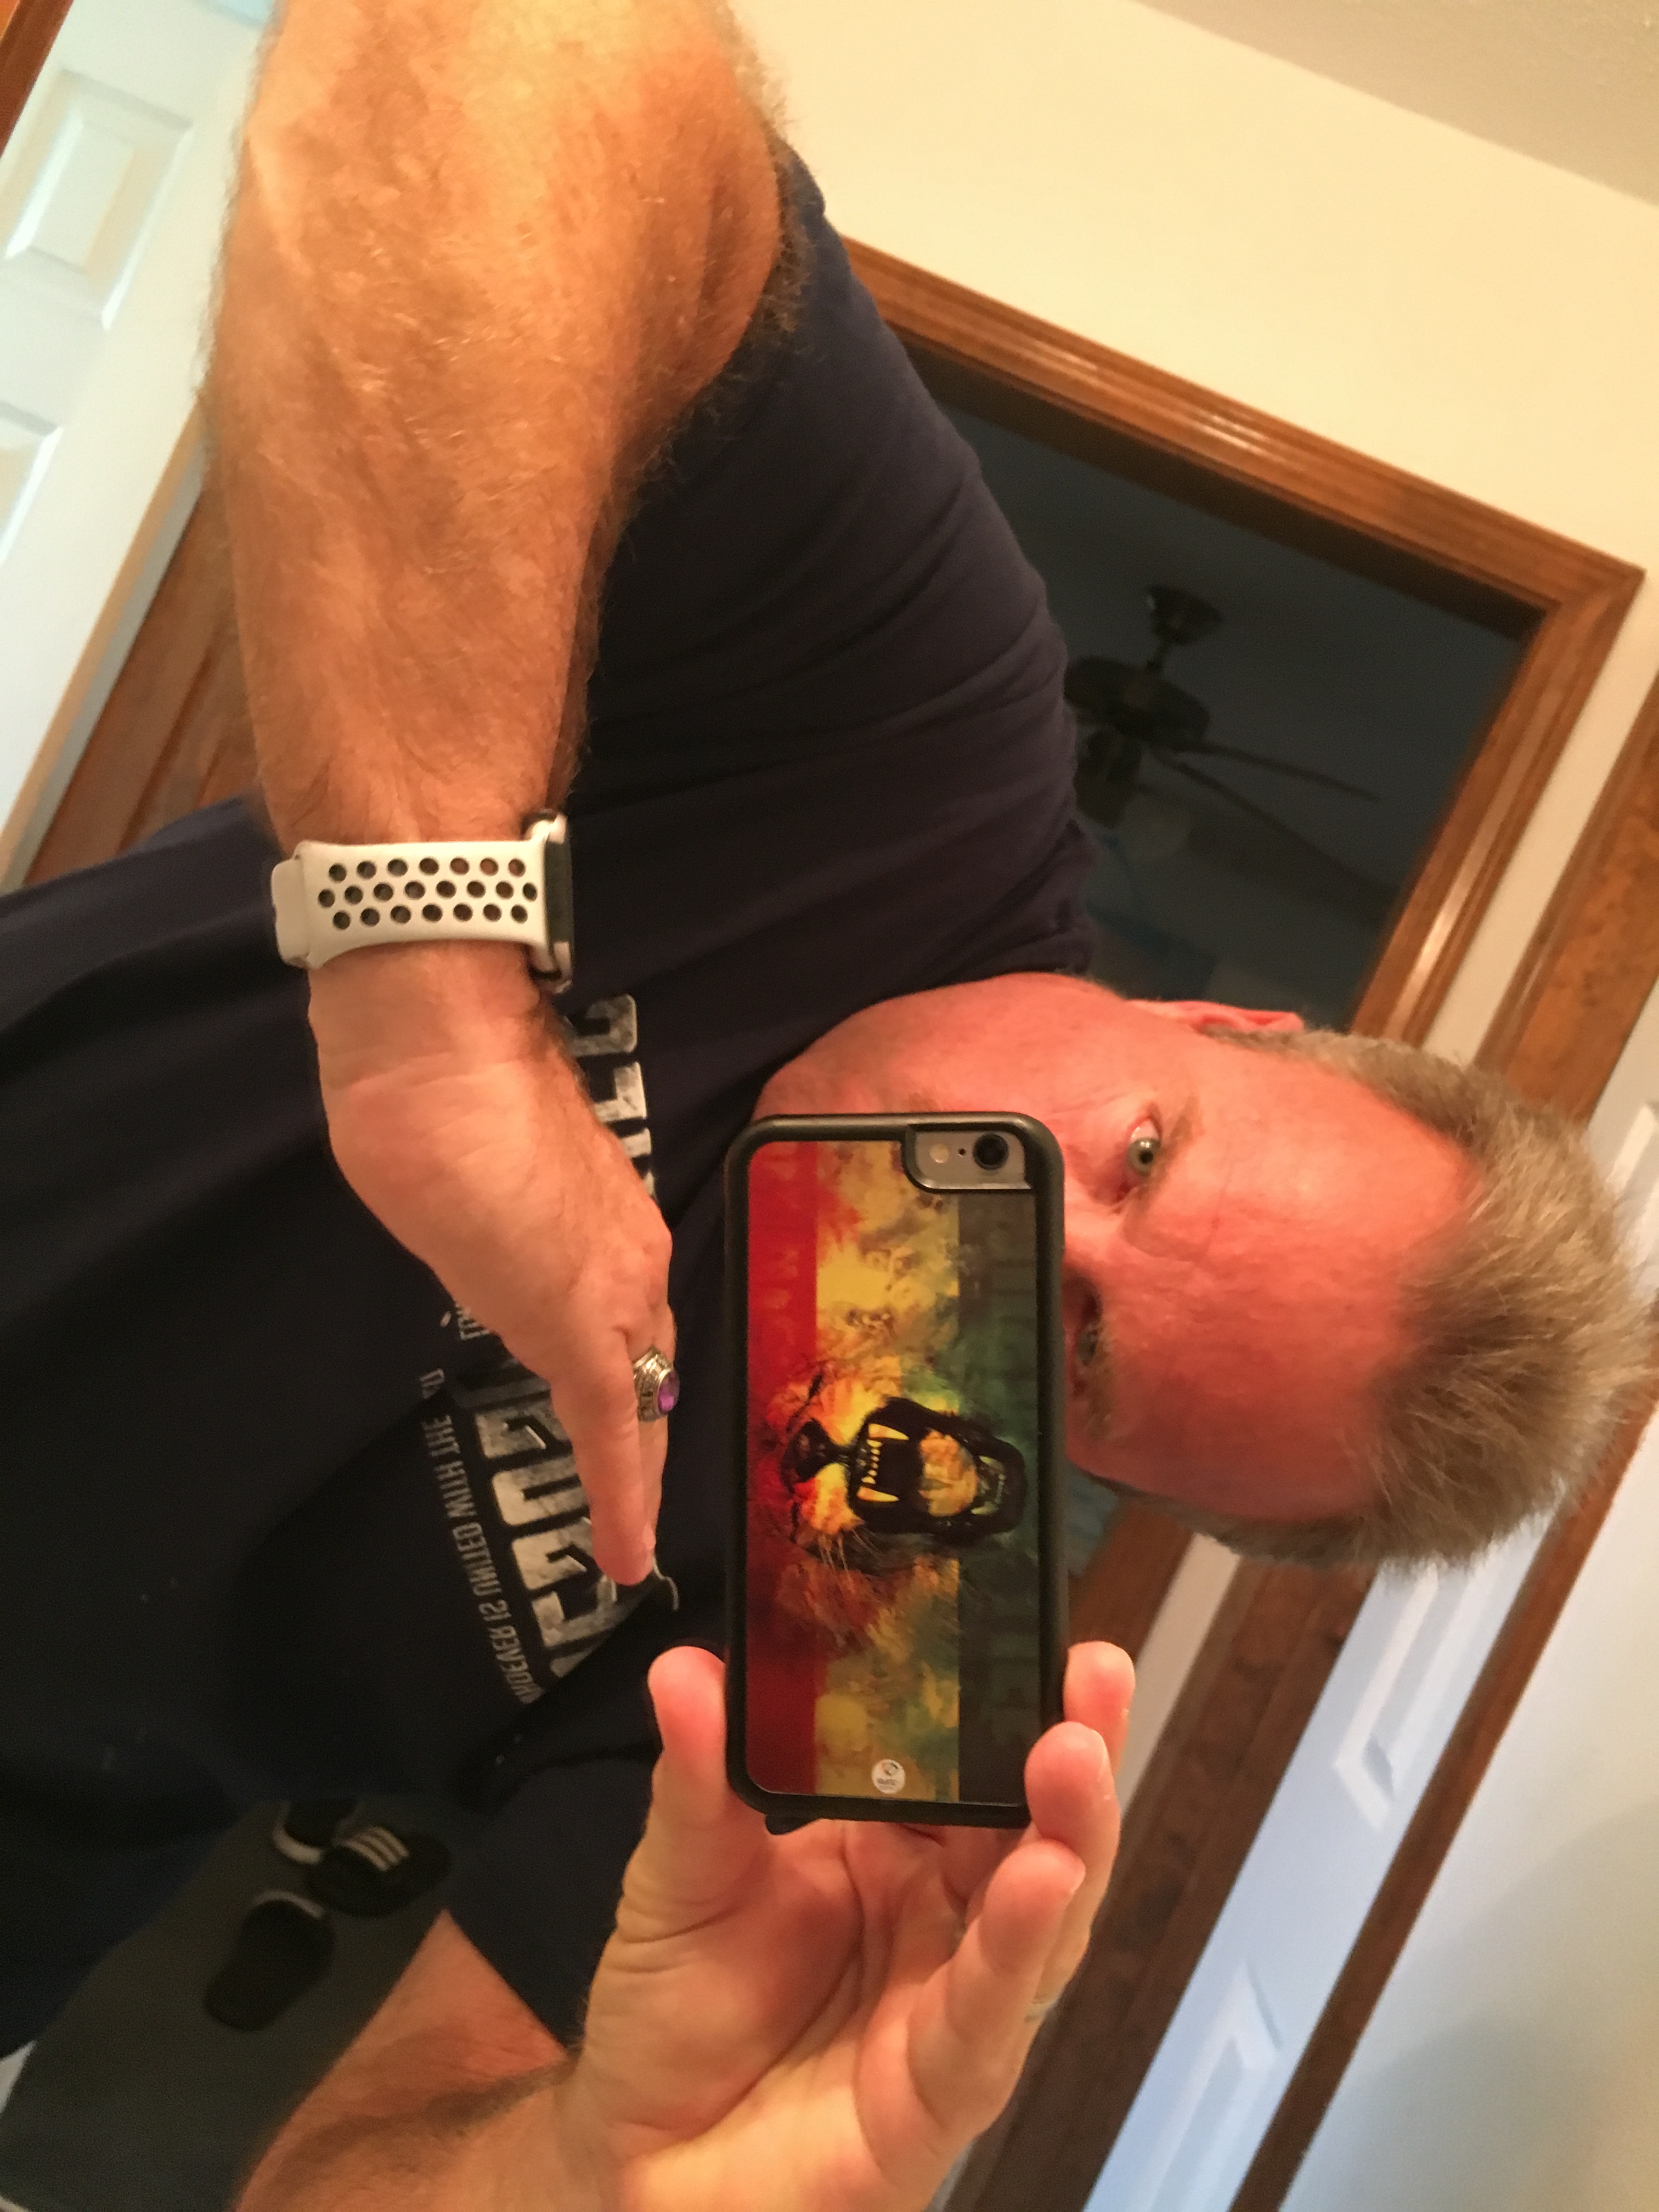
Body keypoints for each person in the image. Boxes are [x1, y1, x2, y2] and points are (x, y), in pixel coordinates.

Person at [0, 3, 1644, 2205]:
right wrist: (432, 997)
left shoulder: (874, 1621)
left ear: (1092, 1484)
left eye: (1079, 1352)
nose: (1034, 1218)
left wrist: (594, 2166)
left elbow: (350, 2174)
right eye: (1146, 1158)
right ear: (1227, 1026)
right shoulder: (916, 767)